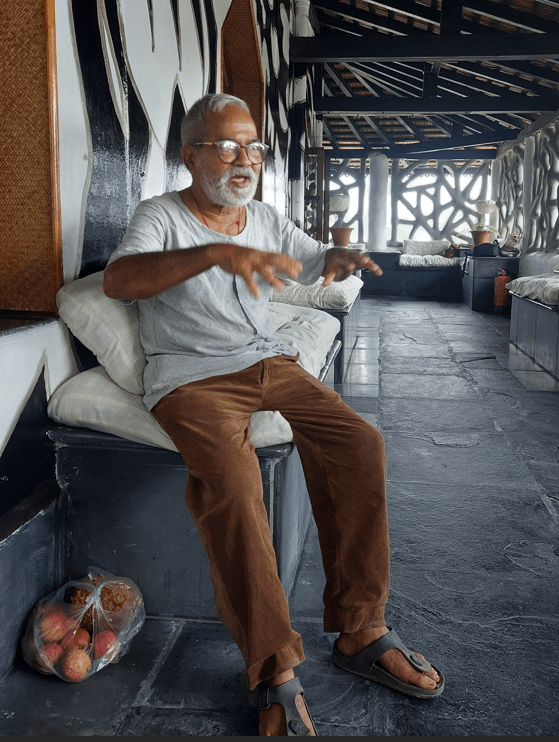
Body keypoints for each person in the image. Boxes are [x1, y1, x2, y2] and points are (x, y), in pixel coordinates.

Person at [103, 93, 444, 736]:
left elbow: (310, 261)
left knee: (360, 444)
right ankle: (272, 670)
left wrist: (335, 260)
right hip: (192, 378)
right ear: (190, 156)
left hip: (267, 361)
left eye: (254, 148)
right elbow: (119, 281)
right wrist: (213, 254)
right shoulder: (161, 216)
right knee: (234, 488)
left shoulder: (263, 216)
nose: (245, 161)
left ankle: (360, 629)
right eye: (228, 147)